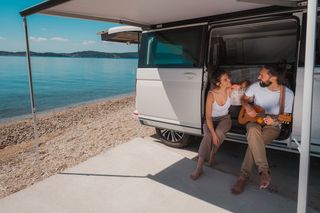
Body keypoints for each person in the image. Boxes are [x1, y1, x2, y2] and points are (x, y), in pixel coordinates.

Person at [231, 65, 294, 194]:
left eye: (262, 75)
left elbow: (287, 118)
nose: (259, 77)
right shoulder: (255, 86)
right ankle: (264, 172)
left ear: (274, 77)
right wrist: (247, 106)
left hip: (273, 126)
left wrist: (275, 120)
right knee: (254, 132)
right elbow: (244, 99)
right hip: (254, 122)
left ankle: (242, 177)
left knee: (254, 142)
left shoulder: (287, 94)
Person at [190, 70, 237, 180]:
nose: (229, 80)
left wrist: (238, 85)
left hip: (225, 119)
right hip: (210, 120)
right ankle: (199, 167)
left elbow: (245, 84)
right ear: (218, 83)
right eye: (225, 79)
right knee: (209, 136)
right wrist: (213, 134)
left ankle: (213, 154)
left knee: (219, 132)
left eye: (228, 78)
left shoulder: (230, 90)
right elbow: (208, 117)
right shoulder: (211, 95)